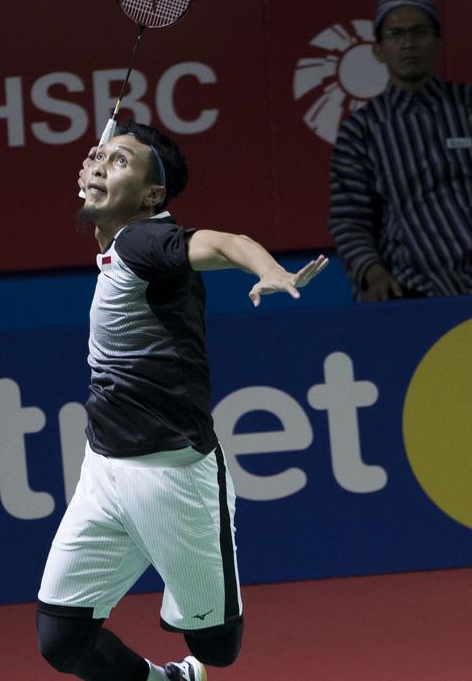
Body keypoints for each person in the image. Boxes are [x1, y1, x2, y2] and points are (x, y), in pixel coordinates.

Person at [37, 121, 327, 681]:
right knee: (62, 639)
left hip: (173, 473)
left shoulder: (145, 240)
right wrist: (104, 178)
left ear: (152, 196)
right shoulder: (120, 244)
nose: (100, 166)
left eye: (120, 163)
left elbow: (223, 242)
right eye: (100, 158)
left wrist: (269, 270)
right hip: (105, 469)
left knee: (216, 647)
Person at [328, 0, 472, 301]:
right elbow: (349, 218)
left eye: (420, 32)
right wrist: (372, 273)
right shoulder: (360, 130)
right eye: (396, 34)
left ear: (439, 44)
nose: (408, 44)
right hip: (404, 283)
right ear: (378, 50)